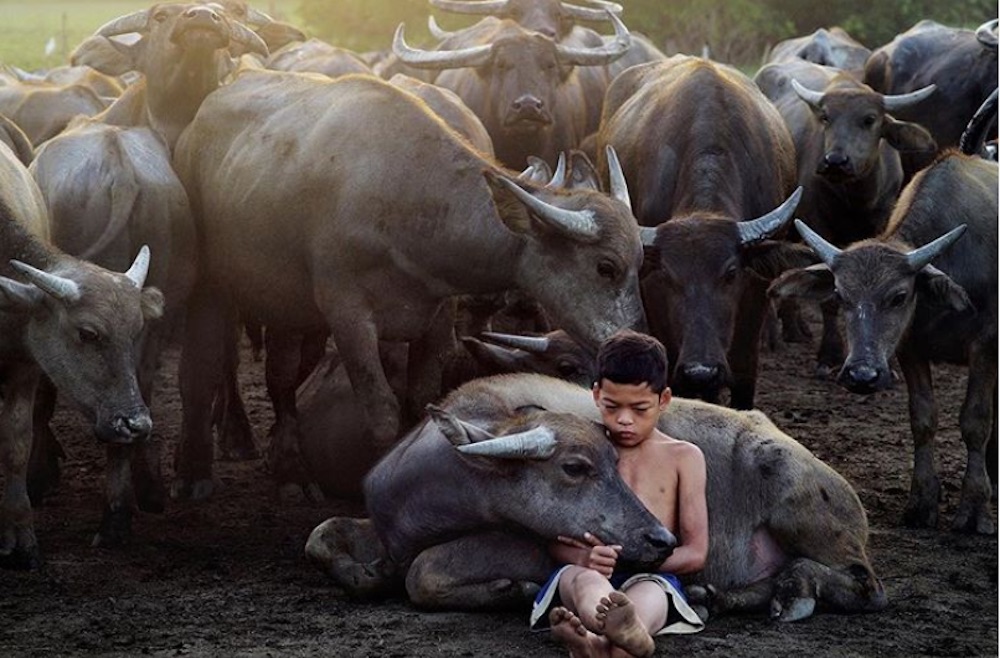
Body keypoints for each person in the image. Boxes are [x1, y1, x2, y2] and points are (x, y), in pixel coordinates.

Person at [529, 329, 709, 658]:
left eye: (640, 409)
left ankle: (603, 643)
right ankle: (608, 633)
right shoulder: (582, 451)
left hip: (652, 575)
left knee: (648, 600)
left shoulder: (685, 457)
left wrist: (642, 560)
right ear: (596, 394)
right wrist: (583, 558)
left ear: (664, 400)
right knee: (585, 584)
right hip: (589, 570)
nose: (624, 420)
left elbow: (696, 552)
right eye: (612, 407)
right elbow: (551, 537)